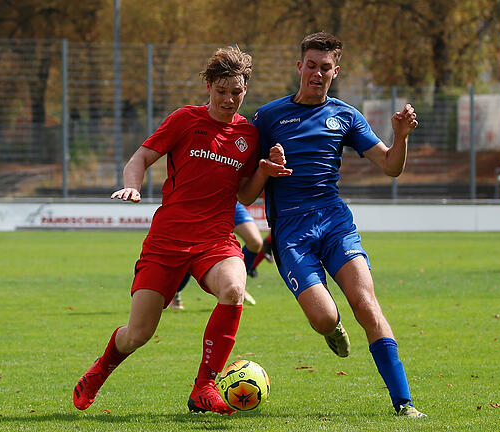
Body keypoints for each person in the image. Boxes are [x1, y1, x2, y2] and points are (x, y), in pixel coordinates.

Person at [72, 45, 291, 415]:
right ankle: (98, 371)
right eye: (221, 91)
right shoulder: (184, 119)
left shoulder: (250, 135)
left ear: (245, 90)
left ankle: (204, 386)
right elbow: (140, 157)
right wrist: (133, 185)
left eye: (236, 92)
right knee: (138, 334)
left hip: (216, 239)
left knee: (235, 288)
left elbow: (244, 192)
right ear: (208, 86)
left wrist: (264, 174)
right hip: (167, 240)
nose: (228, 99)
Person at [252, 32, 426, 418]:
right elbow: (246, 191)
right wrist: (268, 169)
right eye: (311, 66)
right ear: (300, 67)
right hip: (290, 233)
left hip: (334, 222)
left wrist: (400, 137)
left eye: (325, 67)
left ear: (336, 71)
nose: (317, 73)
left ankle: (404, 404)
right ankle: (332, 328)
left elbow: (390, 166)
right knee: (324, 317)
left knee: (366, 303)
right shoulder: (268, 117)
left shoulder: (346, 115)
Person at [170, 202, 267, 310]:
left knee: (255, 242)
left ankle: (237, 283)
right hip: (202, 202)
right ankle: (176, 290)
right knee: (194, 245)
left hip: (230, 201)